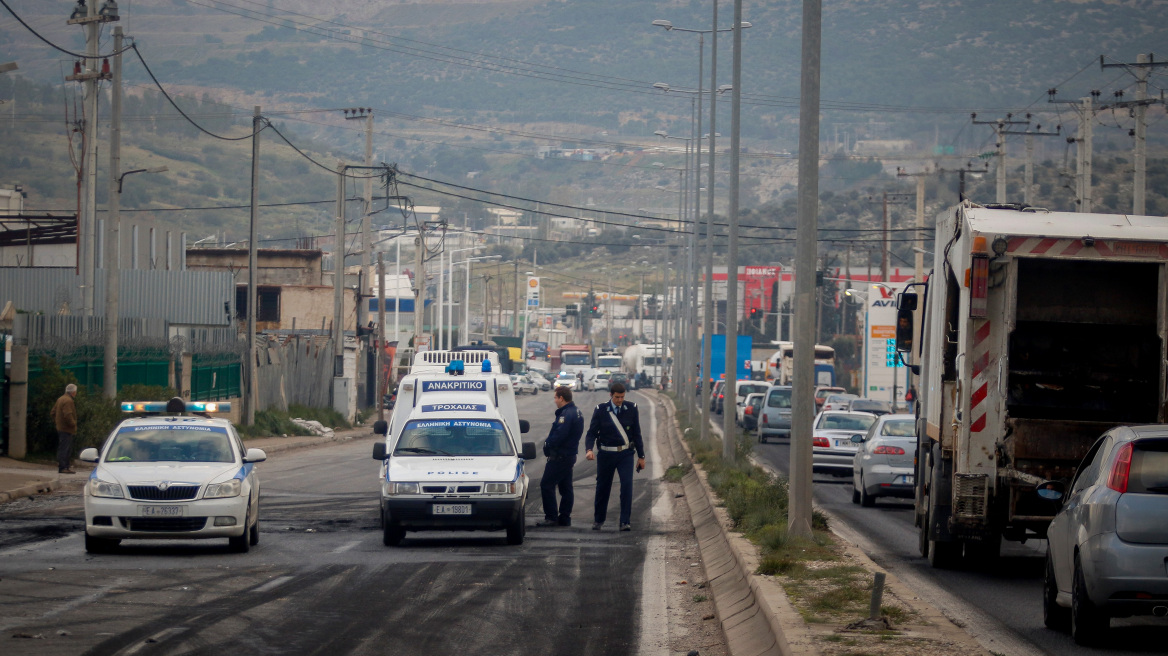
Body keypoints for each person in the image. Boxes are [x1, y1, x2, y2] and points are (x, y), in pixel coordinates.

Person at [585, 382, 645, 531]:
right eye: (617, 397)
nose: (620, 400)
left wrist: (641, 456)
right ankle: (598, 520)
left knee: (626, 486)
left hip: (625, 454)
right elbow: (591, 432)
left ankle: (625, 521)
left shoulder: (632, 408)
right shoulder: (601, 410)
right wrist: (589, 449)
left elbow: (637, 433)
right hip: (606, 453)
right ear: (611, 395)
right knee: (602, 487)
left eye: (622, 397)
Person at [536, 387, 584, 527]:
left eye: (555, 398)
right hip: (569, 455)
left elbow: (559, 435)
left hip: (560, 456)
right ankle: (564, 517)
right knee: (565, 487)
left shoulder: (566, 415)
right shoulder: (576, 412)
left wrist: (547, 445)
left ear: (561, 398)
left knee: (546, 485)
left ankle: (551, 517)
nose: (555, 400)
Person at [50, 383, 78, 474]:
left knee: (63, 447)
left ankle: (64, 466)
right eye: (75, 392)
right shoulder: (68, 401)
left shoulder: (60, 399)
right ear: (73, 392)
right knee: (65, 448)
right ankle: (63, 467)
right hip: (67, 428)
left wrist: (57, 422)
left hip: (61, 428)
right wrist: (73, 424)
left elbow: (52, 412)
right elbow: (68, 414)